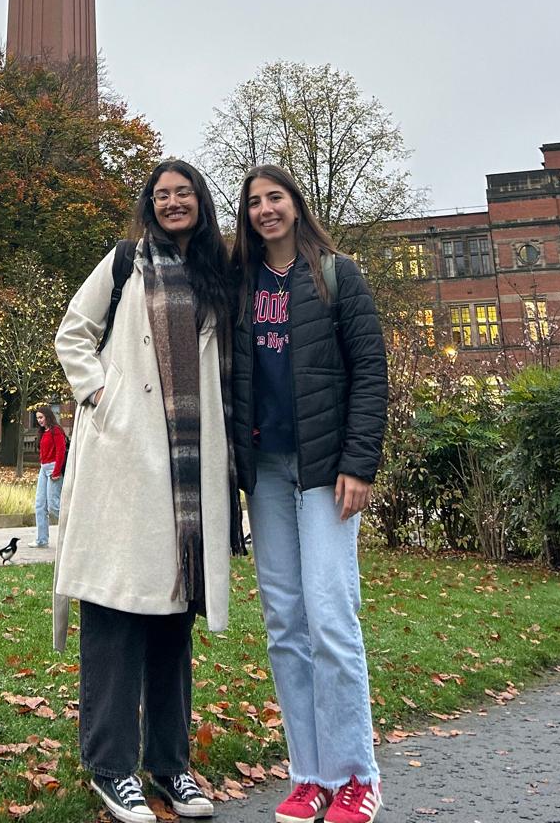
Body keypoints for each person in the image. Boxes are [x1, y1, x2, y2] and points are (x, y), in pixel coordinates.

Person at [54, 160, 241, 823]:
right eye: (161, 195)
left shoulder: (218, 272)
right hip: (128, 458)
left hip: (190, 470)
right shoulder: (124, 261)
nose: (171, 203)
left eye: (182, 193)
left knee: (169, 619)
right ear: (149, 205)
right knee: (114, 608)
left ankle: (170, 765)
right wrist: (100, 397)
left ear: (200, 202)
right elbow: (73, 332)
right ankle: (110, 766)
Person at [231, 166, 389, 823]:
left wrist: (361, 462)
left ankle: (357, 774)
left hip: (326, 469)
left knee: (330, 618)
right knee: (284, 626)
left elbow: (370, 371)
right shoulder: (238, 284)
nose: (266, 210)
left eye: (276, 198)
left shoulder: (335, 274)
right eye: (255, 202)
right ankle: (309, 774)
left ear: (296, 204)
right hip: (265, 470)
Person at [31, 404, 66, 548]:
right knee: (40, 505)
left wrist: (57, 472)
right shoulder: (43, 432)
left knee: (53, 506)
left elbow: (61, 451)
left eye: (41, 417)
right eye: (37, 418)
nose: (39, 420)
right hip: (43, 468)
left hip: (53, 469)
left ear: (48, 416)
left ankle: (73, 528)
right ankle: (41, 539)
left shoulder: (56, 431)